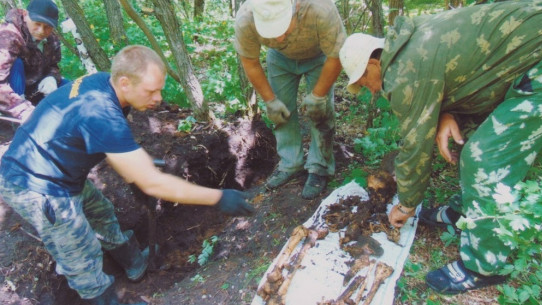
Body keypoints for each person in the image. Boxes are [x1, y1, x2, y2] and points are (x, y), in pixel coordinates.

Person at [0, 45, 255, 305]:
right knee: (80, 254)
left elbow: (112, 146)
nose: (158, 98)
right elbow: (153, 182)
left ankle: (134, 263)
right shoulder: (100, 111)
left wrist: (136, 172)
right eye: (151, 91)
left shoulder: (104, 84)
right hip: (34, 183)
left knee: (101, 212)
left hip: (60, 168)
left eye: (160, 89)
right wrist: (219, 197)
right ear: (124, 82)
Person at [339, 0, 542, 295]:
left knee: (484, 158)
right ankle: (465, 213)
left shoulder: (402, 73)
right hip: (523, 58)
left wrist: (407, 204)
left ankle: (483, 266)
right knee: (467, 136)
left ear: (374, 63)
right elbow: (456, 71)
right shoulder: (410, 39)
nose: (371, 90)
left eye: (365, 80)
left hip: (539, 64)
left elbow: (415, 146)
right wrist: (447, 113)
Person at [234, 0, 346, 199]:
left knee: (321, 112)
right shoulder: (246, 18)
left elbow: (336, 55)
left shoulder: (320, 8)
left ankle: (319, 166)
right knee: (281, 112)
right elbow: (250, 62)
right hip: (279, 59)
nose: (279, 37)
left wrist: (318, 95)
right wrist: (270, 100)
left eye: (282, 27)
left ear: (296, 8)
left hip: (319, 55)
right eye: (270, 30)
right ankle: (290, 163)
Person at [0, 0, 66, 122]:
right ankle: (17, 123)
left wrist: (52, 77)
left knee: (73, 88)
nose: (41, 30)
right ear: (25, 15)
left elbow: (53, 66)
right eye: (37, 23)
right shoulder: (7, 36)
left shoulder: (52, 40)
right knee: (17, 64)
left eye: (47, 27)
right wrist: (24, 110)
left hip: (35, 89)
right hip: (11, 95)